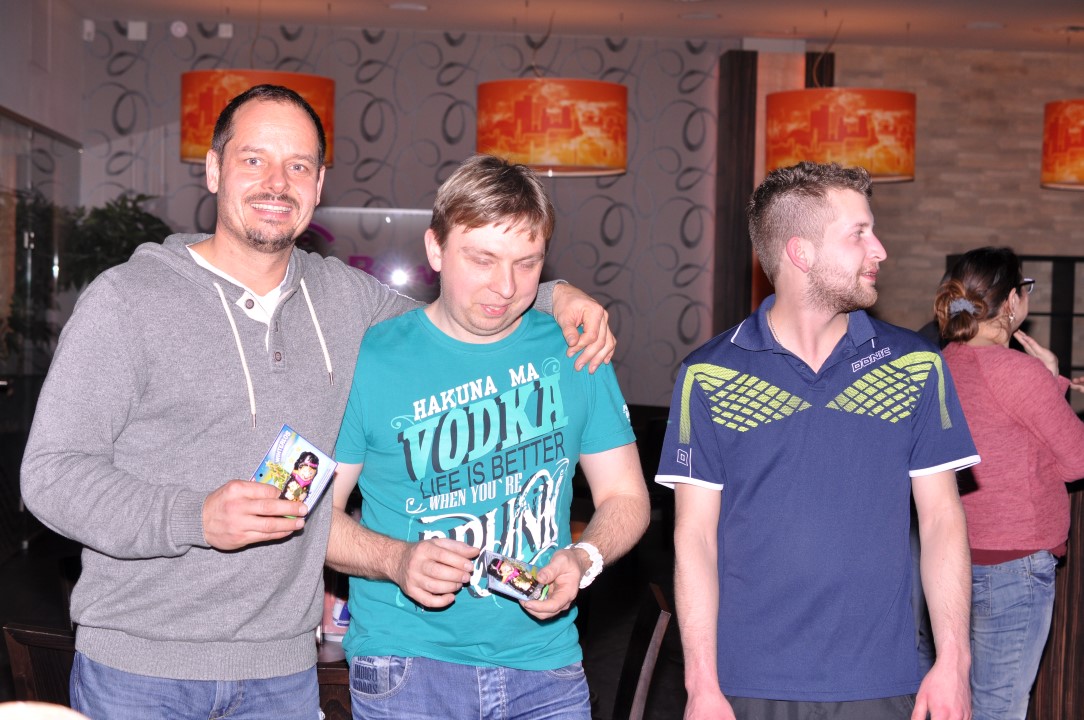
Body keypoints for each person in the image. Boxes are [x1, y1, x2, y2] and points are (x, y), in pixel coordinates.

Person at [19, 85, 615, 719]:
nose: (277, 182)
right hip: (139, 670)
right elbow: (50, 476)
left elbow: (461, 310)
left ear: (320, 183)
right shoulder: (127, 300)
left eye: (298, 165)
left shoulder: (345, 299)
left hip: (283, 674)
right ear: (214, 169)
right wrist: (195, 517)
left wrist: (557, 294)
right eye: (254, 159)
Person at [325, 154, 651, 719]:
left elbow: (625, 496)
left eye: (528, 263)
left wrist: (583, 558)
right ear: (435, 249)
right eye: (483, 259)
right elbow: (313, 515)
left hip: (546, 666)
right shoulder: (370, 358)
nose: (506, 286)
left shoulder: (576, 350)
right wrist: (397, 560)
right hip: (407, 664)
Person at [658, 162, 980, 720]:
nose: (879, 250)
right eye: (859, 234)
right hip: (745, 682)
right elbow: (695, 539)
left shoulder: (917, 365)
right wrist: (700, 683)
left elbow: (941, 521)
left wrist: (954, 660)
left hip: (880, 679)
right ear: (801, 252)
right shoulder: (706, 375)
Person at [934, 247, 1084, 720]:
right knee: (999, 709)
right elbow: (1076, 460)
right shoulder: (1018, 372)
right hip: (1016, 562)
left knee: (961, 702)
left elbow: (1005, 436)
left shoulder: (941, 363)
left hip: (952, 560)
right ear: (1012, 300)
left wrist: (1048, 382)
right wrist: (1048, 378)